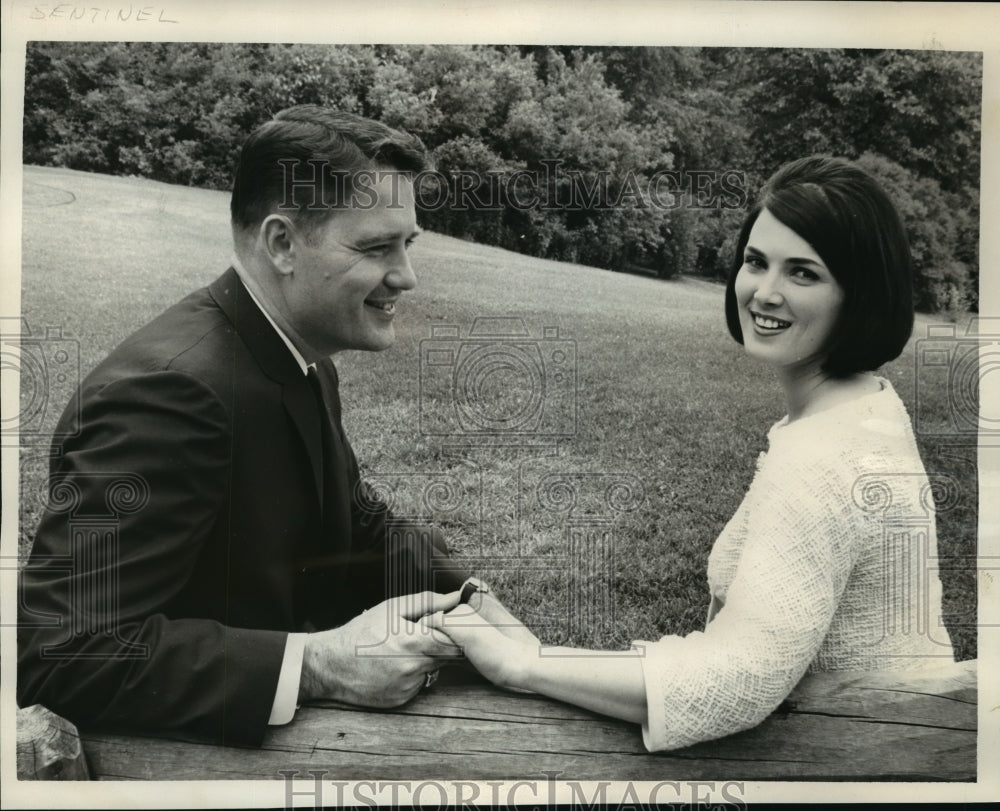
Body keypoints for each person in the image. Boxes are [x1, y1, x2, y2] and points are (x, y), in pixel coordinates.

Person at [17, 105, 531, 746]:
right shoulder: (165, 394)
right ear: (282, 243)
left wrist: (478, 606)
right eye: (376, 247)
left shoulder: (296, 354)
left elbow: (351, 516)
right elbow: (61, 652)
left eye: (408, 243)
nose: (407, 275)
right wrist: (320, 663)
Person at [431, 156, 956, 752]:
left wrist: (523, 663)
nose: (765, 292)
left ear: (858, 296)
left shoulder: (824, 458)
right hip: (896, 742)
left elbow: (740, 679)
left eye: (803, 273)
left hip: (879, 761)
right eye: (756, 263)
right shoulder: (868, 407)